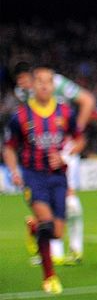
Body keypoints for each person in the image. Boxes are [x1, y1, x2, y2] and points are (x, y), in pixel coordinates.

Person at [3, 67, 84, 295]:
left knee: (57, 233)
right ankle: (49, 277)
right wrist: (14, 172)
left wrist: (65, 155)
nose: (44, 85)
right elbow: (8, 148)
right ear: (32, 85)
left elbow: (79, 140)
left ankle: (33, 229)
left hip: (58, 177)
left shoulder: (65, 113)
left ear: (53, 85)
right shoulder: (20, 116)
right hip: (33, 176)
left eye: (48, 81)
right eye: (39, 81)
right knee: (47, 223)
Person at [14, 62, 95, 265]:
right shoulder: (22, 92)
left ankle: (75, 250)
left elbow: (88, 100)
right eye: (18, 81)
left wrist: (74, 134)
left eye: (24, 79)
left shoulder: (56, 83)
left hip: (62, 149)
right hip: (40, 153)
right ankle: (52, 252)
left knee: (70, 201)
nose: (22, 84)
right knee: (45, 204)